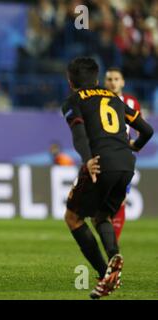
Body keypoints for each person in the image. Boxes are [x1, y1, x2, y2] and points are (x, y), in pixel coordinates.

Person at [61, 57, 153, 299]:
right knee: (102, 215)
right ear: (98, 79)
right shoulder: (114, 98)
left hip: (100, 163)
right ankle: (114, 257)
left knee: (73, 217)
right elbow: (148, 130)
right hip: (126, 164)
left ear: (71, 82)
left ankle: (104, 275)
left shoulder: (74, 100)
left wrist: (87, 159)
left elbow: (79, 132)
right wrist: (135, 146)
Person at [103, 67, 141, 241]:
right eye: (109, 79)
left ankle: (113, 247)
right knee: (101, 203)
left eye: (116, 79)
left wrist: (135, 144)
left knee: (120, 199)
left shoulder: (131, 103)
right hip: (101, 155)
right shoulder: (96, 101)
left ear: (123, 82)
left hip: (122, 156)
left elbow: (141, 128)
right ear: (105, 82)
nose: (113, 82)